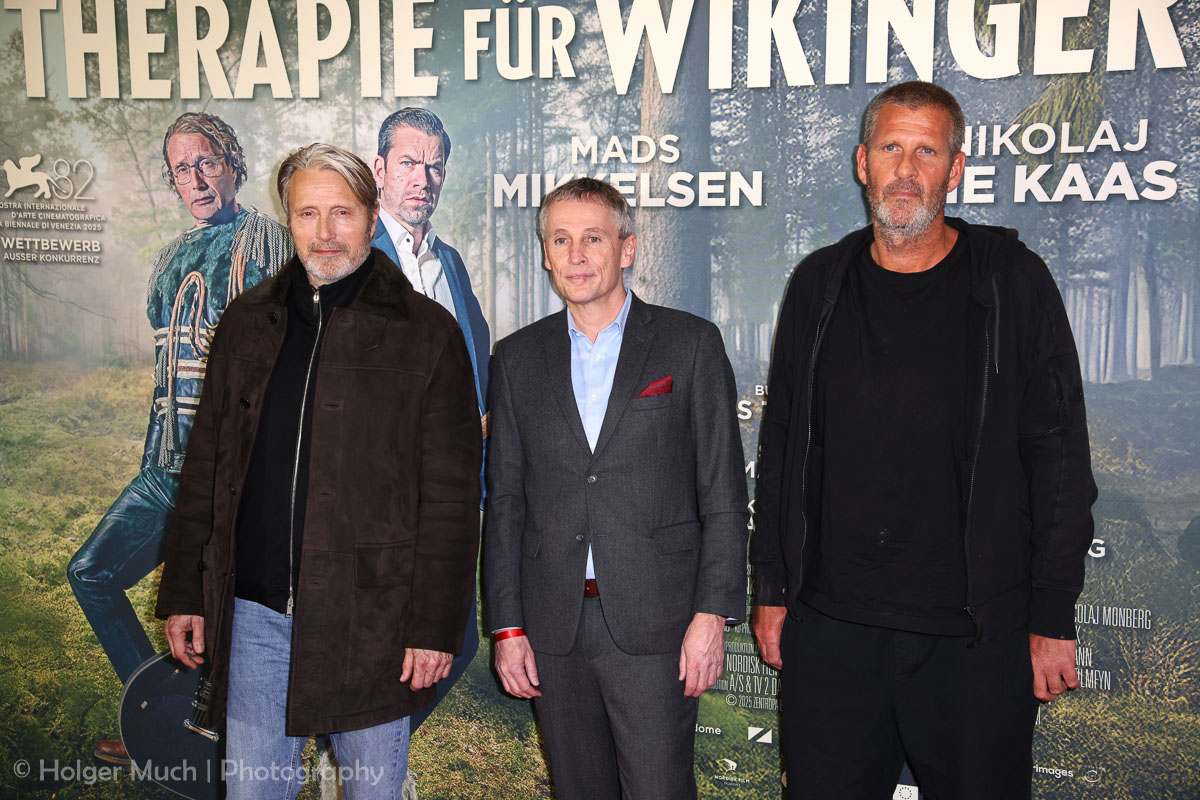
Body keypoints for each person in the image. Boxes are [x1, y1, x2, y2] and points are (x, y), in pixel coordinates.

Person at [751, 81, 1098, 799]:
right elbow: (780, 446)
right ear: (862, 162)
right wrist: (772, 590)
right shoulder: (818, 284)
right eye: (891, 148)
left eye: (927, 152)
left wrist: (1052, 614)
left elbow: (1060, 457)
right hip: (833, 632)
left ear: (955, 169)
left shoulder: (1011, 282)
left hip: (974, 640)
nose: (906, 170)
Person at [154, 143, 482, 799]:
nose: (325, 232)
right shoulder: (246, 323)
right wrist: (186, 591)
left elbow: (451, 499)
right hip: (254, 618)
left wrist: (433, 625)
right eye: (307, 214)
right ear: (289, 219)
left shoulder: (427, 333)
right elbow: (207, 469)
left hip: (374, 623)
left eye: (342, 213)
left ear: (371, 216)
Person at [485, 177, 748, 799]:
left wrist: (712, 613)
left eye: (593, 239)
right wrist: (507, 627)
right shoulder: (516, 358)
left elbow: (722, 493)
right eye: (560, 240)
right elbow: (506, 503)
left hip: (657, 622)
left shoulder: (690, 344)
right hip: (553, 625)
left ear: (626, 248)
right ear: (546, 254)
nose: (576, 255)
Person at [67, 111, 292, 764]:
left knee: (224, 613)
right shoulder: (169, 257)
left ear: (233, 165)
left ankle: (224, 743)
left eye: (206, 162)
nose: (194, 179)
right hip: (163, 468)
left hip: (232, 477)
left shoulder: (271, 244)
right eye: (181, 169)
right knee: (91, 572)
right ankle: (162, 713)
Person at [370, 107, 490, 729]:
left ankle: (364, 755)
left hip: (446, 492)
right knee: (381, 636)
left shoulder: (451, 263)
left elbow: (476, 358)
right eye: (409, 163)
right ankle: (362, 760)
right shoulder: (353, 256)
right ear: (380, 169)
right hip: (377, 492)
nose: (423, 178)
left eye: (435, 167)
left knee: (455, 642)